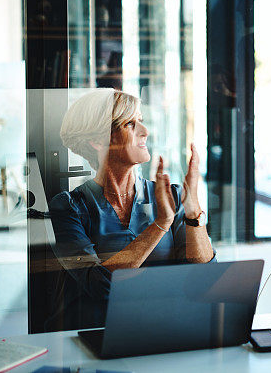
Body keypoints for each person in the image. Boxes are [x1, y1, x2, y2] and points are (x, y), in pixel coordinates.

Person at [47, 89, 214, 329]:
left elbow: (205, 275)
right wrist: (160, 225)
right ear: (98, 140)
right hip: (97, 334)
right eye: (130, 124)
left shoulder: (172, 195)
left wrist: (192, 208)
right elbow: (102, 285)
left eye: (142, 122)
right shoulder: (69, 207)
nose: (145, 132)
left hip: (166, 327)